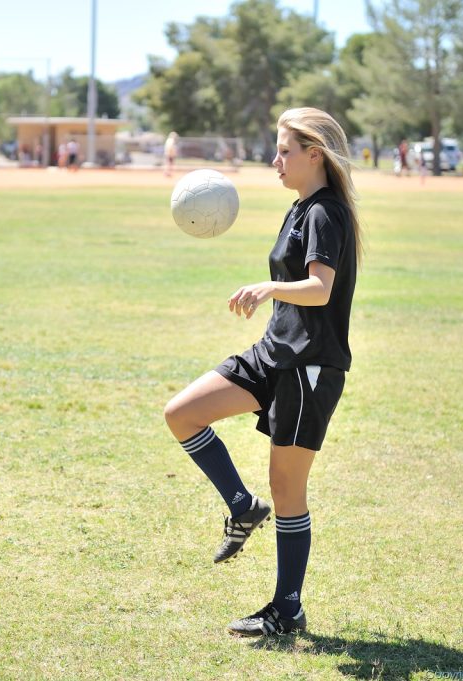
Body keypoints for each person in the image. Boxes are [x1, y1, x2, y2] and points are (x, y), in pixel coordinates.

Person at [163, 107, 362, 638]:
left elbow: (320, 289)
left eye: (284, 151)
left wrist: (268, 287)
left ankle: (286, 609)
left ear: (314, 155)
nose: (275, 161)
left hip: (309, 366)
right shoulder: (300, 208)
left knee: (288, 488)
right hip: (273, 352)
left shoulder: (326, 213)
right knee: (182, 413)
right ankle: (242, 506)